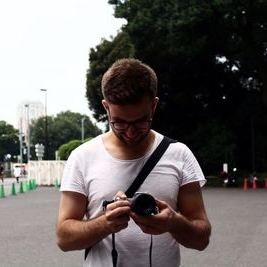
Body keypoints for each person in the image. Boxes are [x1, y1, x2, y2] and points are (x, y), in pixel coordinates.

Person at [56, 58, 211, 267]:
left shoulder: (179, 155)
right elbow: (64, 239)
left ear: (154, 105)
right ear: (106, 107)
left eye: (140, 121)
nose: (130, 132)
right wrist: (105, 223)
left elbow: (201, 239)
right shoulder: (82, 157)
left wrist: (173, 222)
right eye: (119, 122)